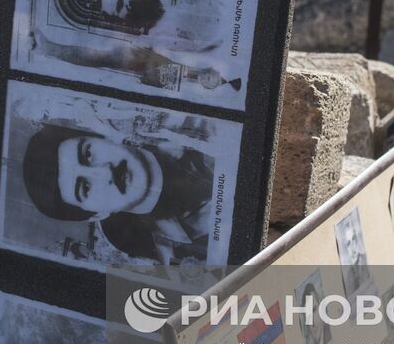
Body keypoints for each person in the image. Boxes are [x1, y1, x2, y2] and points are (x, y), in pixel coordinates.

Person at [20, 122, 216, 262]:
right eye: (85, 188)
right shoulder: (171, 254)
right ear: (97, 214)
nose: (105, 171)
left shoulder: (188, 123)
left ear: (103, 137)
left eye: (88, 154)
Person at [30, 27, 241, 94]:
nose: (207, 79)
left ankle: (49, 49)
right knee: (95, 53)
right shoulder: (193, 64)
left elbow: (159, 78)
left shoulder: (188, 80)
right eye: (212, 77)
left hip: (139, 64)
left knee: (96, 57)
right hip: (142, 57)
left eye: (210, 82)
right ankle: (49, 50)